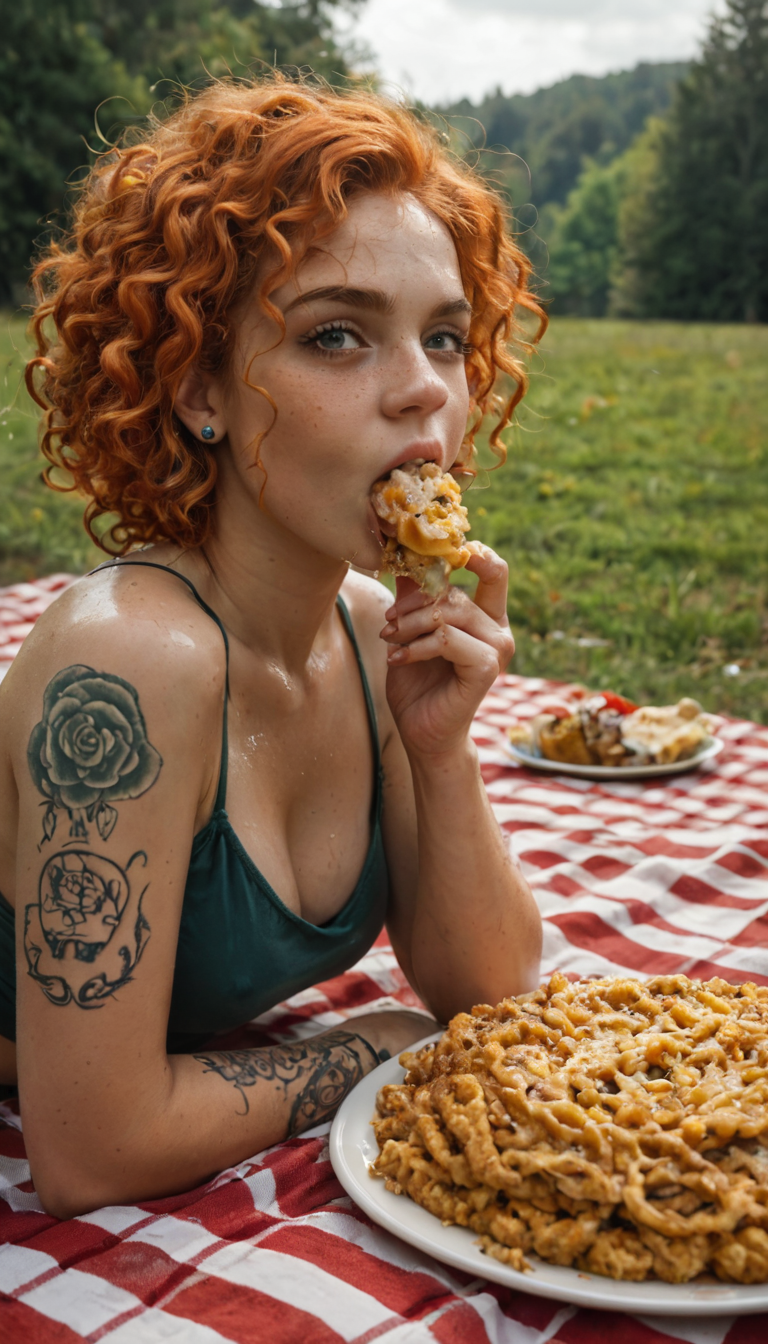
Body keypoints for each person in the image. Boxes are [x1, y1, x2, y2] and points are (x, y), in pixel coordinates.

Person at [0, 76, 544, 1218]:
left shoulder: (360, 627)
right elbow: (87, 1152)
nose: (423, 398)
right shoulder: (132, 664)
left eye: (444, 337)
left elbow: (490, 990)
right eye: (336, 336)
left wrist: (440, 754)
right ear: (200, 382)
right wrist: (363, 1046)